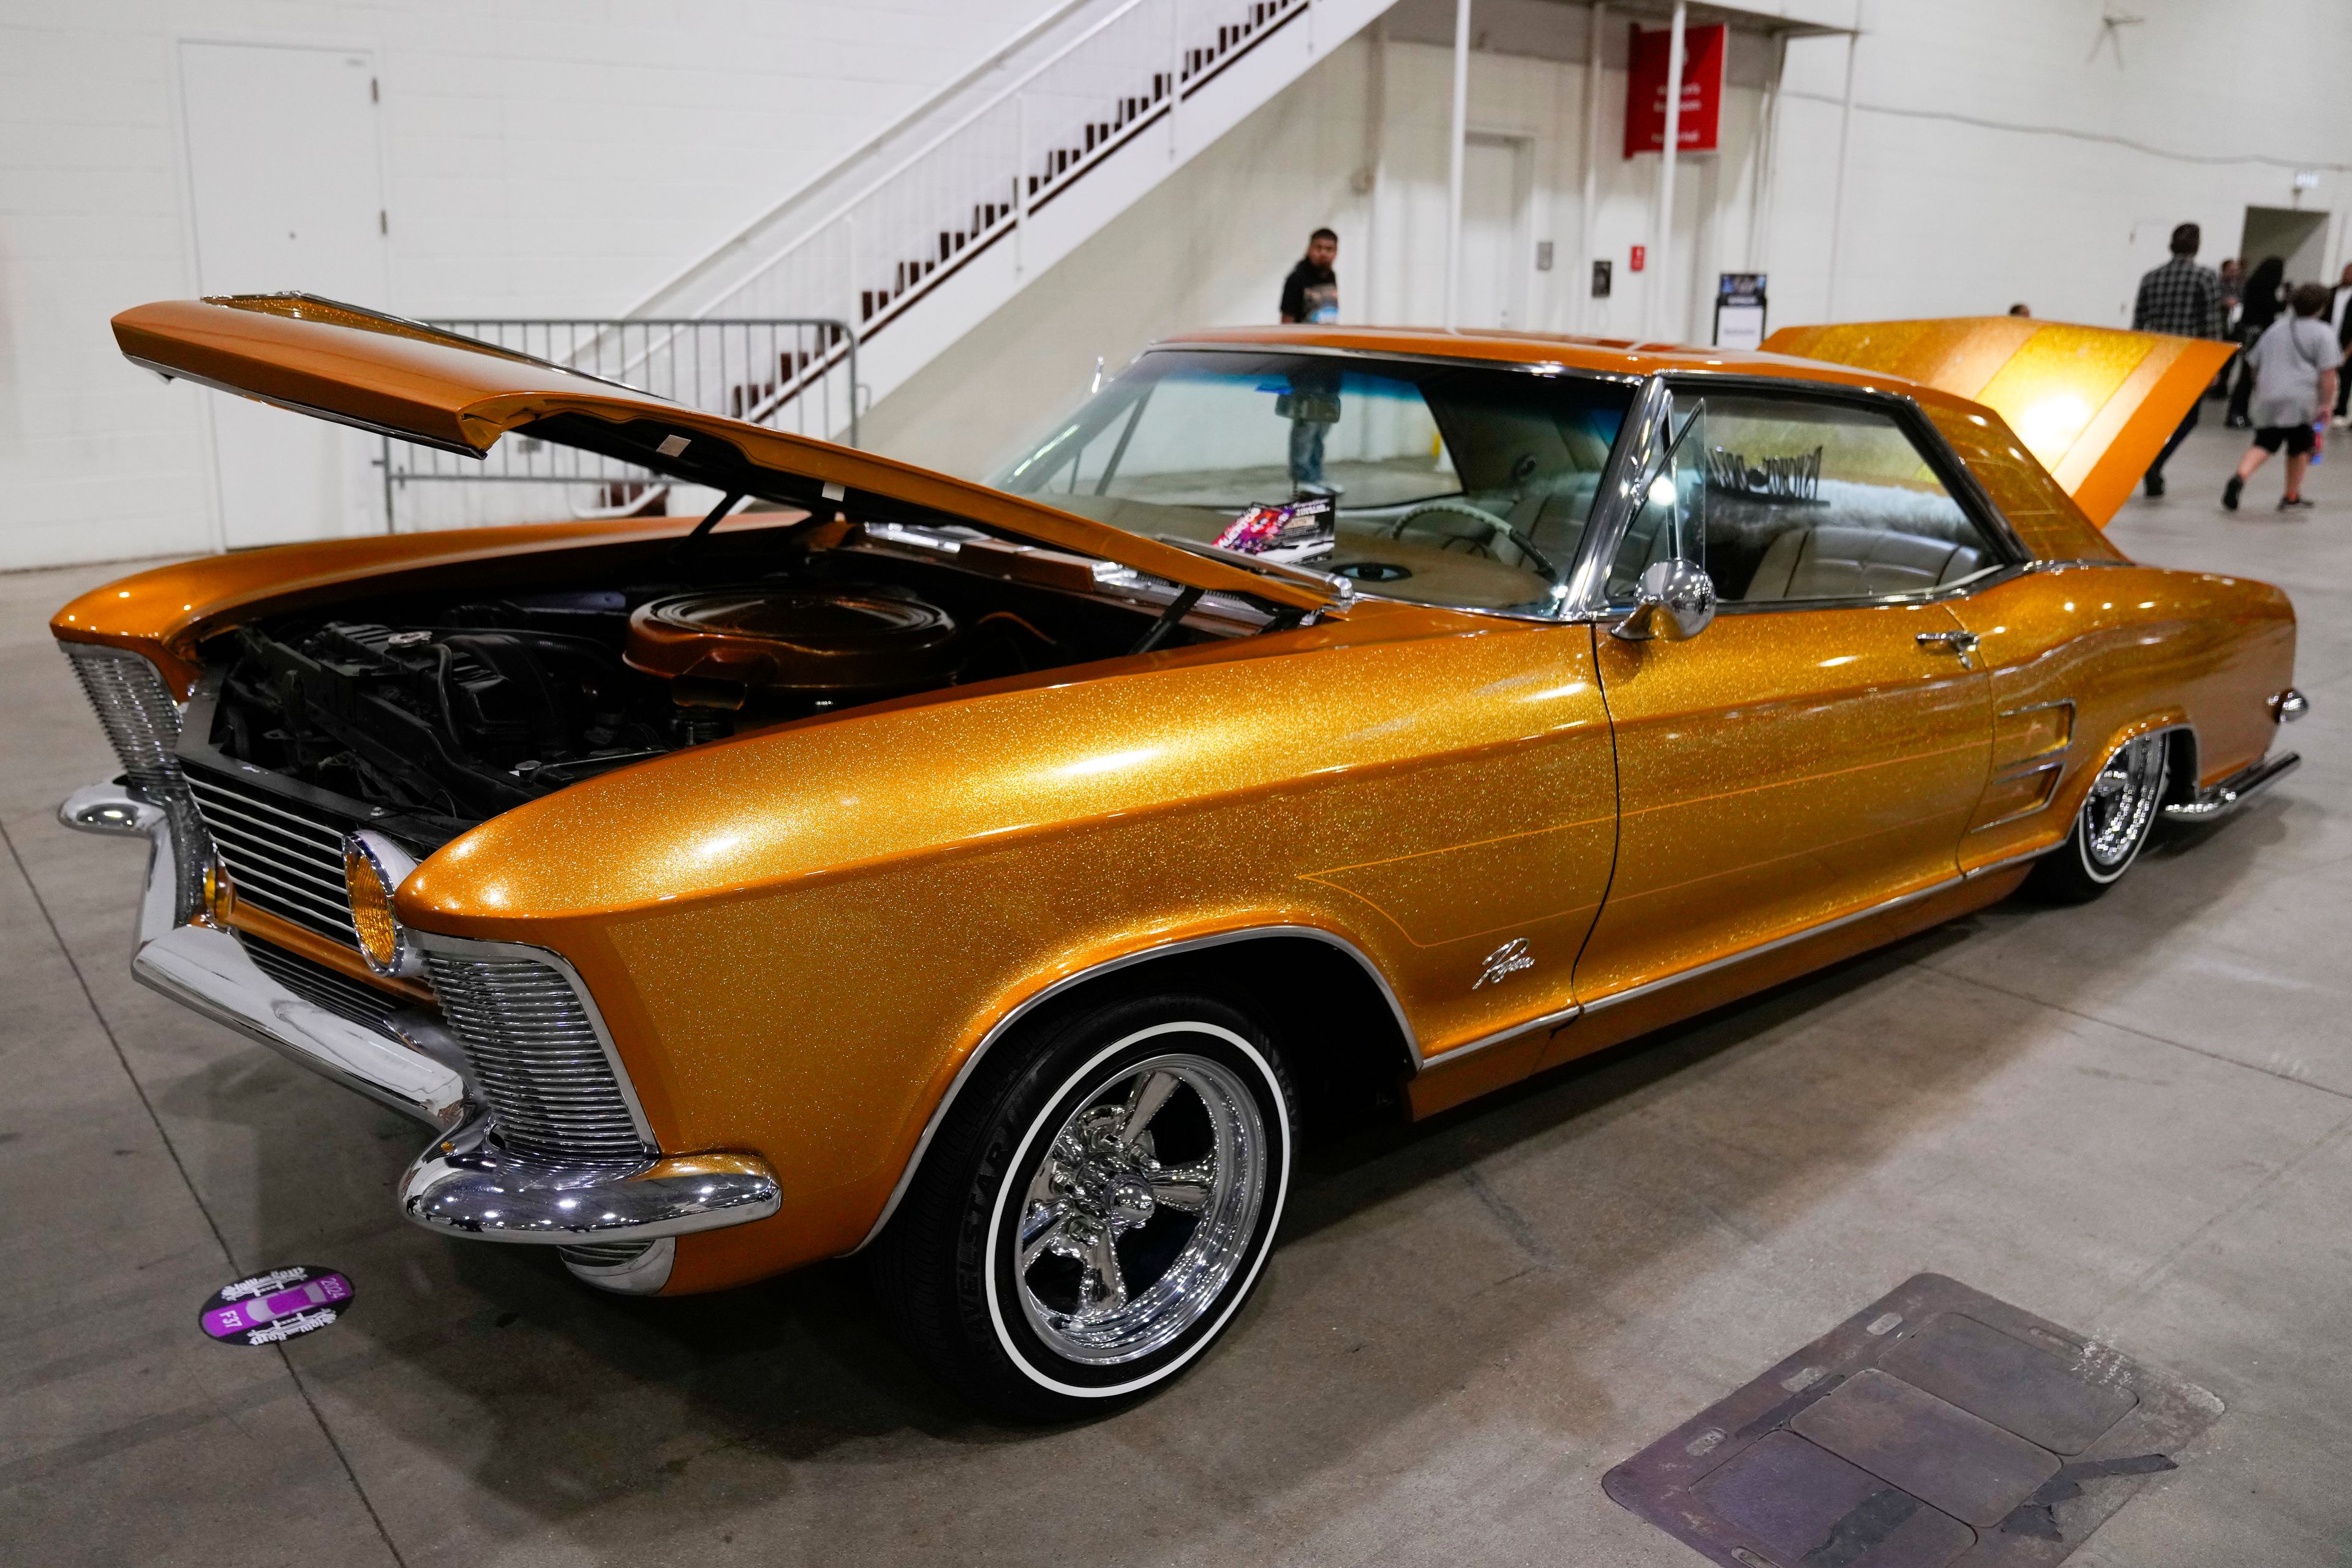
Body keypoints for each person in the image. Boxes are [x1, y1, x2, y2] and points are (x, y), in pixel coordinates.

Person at [2223, 282, 2342, 513]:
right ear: (2321, 307)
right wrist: (2326, 405)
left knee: (2265, 442)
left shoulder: (2276, 328)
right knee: (2299, 447)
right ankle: (2291, 495)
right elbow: (2328, 374)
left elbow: (2253, 362)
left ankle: (2240, 476)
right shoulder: (2324, 334)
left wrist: (2261, 387)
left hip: (2269, 394)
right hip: (2301, 398)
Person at [2132, 222, 2224, 497]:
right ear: (2197, 246)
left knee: (2157, 416)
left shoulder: (2151, 277)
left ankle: (2148, 461)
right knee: (2188, 418)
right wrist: (2215, 365)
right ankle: (2156, 463)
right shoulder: (2205, 277)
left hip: (2157, 356)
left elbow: (2139, 323)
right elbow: (2212, 325)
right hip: (2188, 358)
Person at [2227, 256, 2286, 427]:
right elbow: (2274, 307)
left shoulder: (2253, 284)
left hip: (2248, 334)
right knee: (2248, 377)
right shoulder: (2265, 288)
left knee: (2246, 376)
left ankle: (2238, 412)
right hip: (2257, 336)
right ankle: (2238, 413)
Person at [1279, 228, 1340, 325]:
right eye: (1318, 248)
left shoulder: (1331, 276)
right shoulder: (1296, 279)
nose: (1323, 253)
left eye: (1329, 249)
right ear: (1309, 249)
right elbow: (1287, 320)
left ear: (1336, 252)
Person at [2331, 262, 2352, 424]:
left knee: (2345, 377)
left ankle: (2340, 411)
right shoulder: (2333, 292)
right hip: (2330, 338)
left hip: (2347, 342)